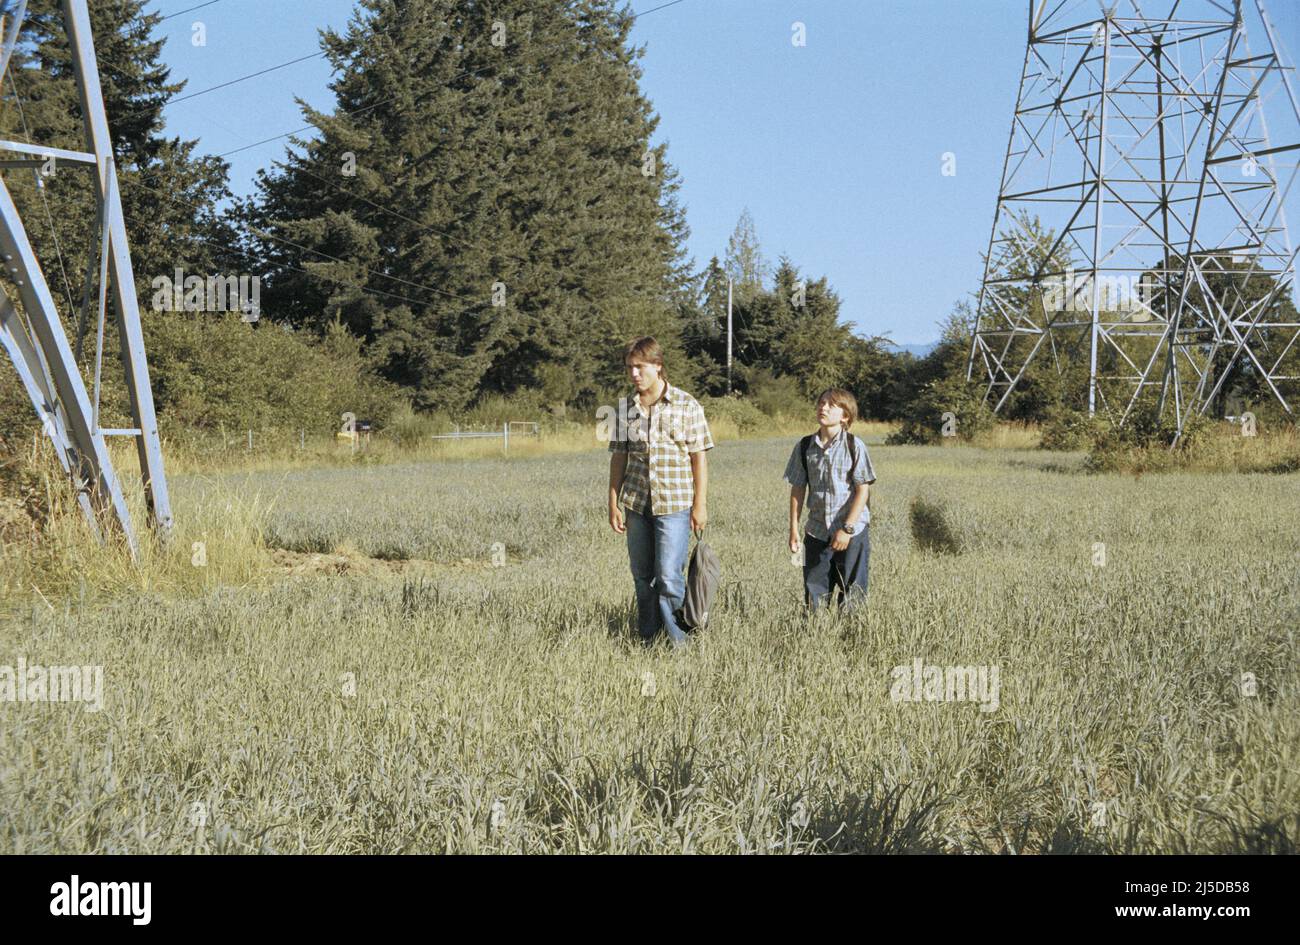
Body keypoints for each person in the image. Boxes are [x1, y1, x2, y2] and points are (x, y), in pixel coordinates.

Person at [607, 337, 713, 647]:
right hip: (637, 504)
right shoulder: (625, 409)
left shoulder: (686, 405)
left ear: (658, 366)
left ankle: (680, 643)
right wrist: (613, 503)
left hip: (676, 504)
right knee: (642, 576)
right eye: (630, 368)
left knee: (668, 576)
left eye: (640, 368)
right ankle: (648, 638)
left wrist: (700, 505)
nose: (634, 374)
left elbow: (699, 458)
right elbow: (618, 457)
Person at [784, 388, 877, 612]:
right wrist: (794, 529)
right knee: (813, 596)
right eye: (821, 403)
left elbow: (862, 491)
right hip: (816, 532)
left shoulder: (855, 446)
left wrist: (847, 529)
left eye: (830, 405)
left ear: (845, 416)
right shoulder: (805, 447)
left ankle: (850, 639)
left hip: (852, 533)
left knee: (853, 595)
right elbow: (798, 489)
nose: (822, 407)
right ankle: (816, 640)